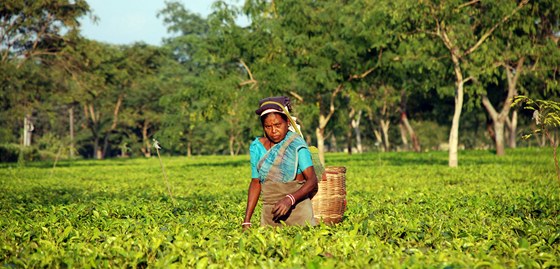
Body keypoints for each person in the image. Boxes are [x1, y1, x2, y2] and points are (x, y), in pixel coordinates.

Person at [242, 96, 319, 228]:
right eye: (268, 126)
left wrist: (290, 199)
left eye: (278, 125)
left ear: (288, 122)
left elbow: (312, 180)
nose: (273, 131)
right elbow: (255, 182)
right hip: (271, 215)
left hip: (298, 213)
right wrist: (247, 220)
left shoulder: (296, 144)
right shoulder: (257, 147)